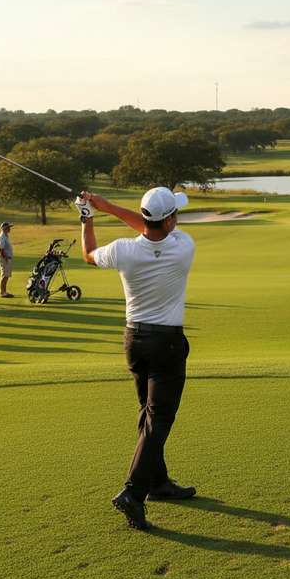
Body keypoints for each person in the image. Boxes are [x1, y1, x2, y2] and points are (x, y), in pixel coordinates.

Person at [77, 187, 196, 531]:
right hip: (167, 344)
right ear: (170, 220)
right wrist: (109, 207)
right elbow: (151, 227)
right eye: (175, 214)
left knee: (148, 412)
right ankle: (133, 492)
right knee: (160, 418)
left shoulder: (122, 250)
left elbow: (88, 254)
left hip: (134, 341)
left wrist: (88, 216)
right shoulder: (183, 246)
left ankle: (158, 482)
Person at [0, 221, 15, 298]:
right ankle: (2, 292)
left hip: (6, 258)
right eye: (8, 227)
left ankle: (4, 291)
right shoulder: (2, 237)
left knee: (6, 275)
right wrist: (6, 257)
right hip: (4, 259)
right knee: (4, 275)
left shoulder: (5, 236)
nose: (9, 229)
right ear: (4, 228)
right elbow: (1, 249)